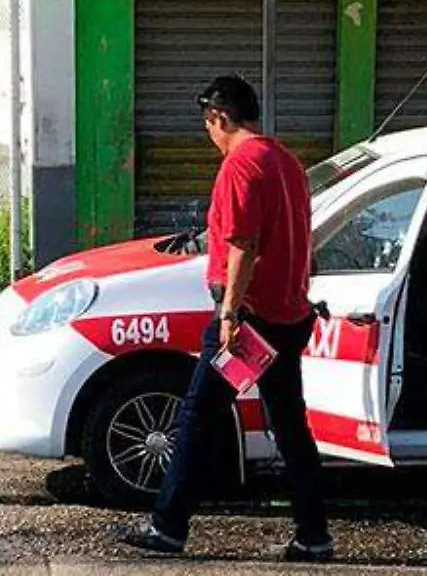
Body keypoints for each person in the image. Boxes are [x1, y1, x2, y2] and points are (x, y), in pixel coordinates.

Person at [114, 75, 333, 562]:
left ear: (221, 118)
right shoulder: (288, 163)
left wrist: (230, 313)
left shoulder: (241, 165)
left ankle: (168, 528)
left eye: (208, 126)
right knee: (290, 426)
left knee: (197, 416)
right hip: (288, 317)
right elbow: (304, 243)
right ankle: (314, 535)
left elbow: (242, 246)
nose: (209, 136)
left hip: (249, 321)